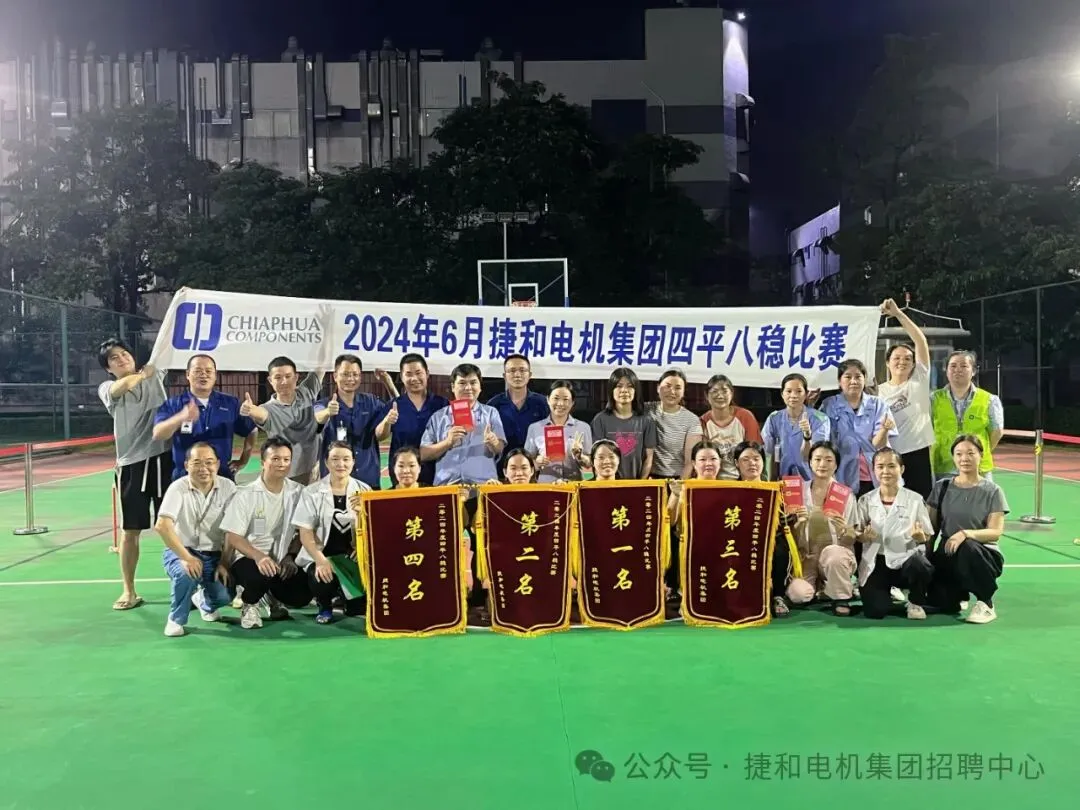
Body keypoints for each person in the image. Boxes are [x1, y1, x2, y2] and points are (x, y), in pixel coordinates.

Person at [97, 339, 175, 611]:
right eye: (114, 358)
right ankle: (129, 590)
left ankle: (185, 587)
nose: (122, 359)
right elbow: (122, 386)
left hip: (164, 459)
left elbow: (169, 344)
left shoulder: (157, 373)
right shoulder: (107, 388)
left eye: (125, 353)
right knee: (131, 531)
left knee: (176, 527)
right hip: (132, 465)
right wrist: (143, 374)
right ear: (108, 369)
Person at [220, 436, 312, 630]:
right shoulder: (245, 494)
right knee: (259, 576)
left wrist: (290, 556)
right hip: (248, 558)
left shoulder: (299, 492)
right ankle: (250, 603)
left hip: (279, 560)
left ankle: (268, 595)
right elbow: (233, 536)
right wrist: (258, 557)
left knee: (301, 594)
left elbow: (303, 530)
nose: (282, 464)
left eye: (286, 459)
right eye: (275, 459)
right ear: (263, 462)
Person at [155, 443, 237, 637]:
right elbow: (162, 526)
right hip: (181, 550)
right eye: (197, 463)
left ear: (218, 464)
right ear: (186, 465)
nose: (203, 468)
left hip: (214, 554)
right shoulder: (177, 488)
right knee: (186, 573)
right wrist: (186, 557)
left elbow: (232, 529)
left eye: (209, 462)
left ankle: (203, 601)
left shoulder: (228, 487)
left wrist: (225, 562)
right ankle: (175, 620)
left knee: (226, 595)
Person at [925, 434, 1007, 624]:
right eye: (959, 454)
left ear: (981, 455)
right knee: (942, 603)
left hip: (981, 553)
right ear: (953, 457)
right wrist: (927, 560)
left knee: (967, 547)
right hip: (948, 552)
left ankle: (986, 603)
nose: (964, 458)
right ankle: (957, 595)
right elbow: (931, 529)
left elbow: (995, 532)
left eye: (971, 453)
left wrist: (965, 534)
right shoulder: (942, 487)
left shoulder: (993, 491)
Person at [293, 441, 372, 624]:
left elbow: (373, 529)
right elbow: (305, 532)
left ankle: (345, 597)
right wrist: (320, 560)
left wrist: (363, 515)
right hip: (323, 556)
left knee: (356, 609)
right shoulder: (312, 492)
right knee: (321, 578)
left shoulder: (364, 490)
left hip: (352, 559)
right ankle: (324, 604)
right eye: (335, 459)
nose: (340, 464)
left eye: (346, 459)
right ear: (326, 463)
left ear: (353, 462)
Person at [855, 448, 935, 620]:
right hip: (876, 562)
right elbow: (858, 533)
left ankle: (915, 601)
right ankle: (886, 593)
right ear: (874, 470)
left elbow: (927, 534)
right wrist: (864, 537)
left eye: (891, 466)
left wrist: (920, 537)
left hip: (906, 559)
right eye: (880, 466)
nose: (886, 471)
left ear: (902, 469)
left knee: (920, 565)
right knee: (875, 611)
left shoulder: (915, 499)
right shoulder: (865, 500)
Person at [154, 354, 256, 481]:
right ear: (187, 374)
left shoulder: (230, 403)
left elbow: (251, 430)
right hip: (185, 478)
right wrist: (180, 417)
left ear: (215, 375)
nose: (203, 375)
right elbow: (158, 433)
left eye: (208, 371)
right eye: (198, 371)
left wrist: (243, 461)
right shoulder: (173, 404)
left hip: (221, 476)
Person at [786, 441, 860, 615]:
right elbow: (789, 535)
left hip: (836, 556)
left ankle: (841, 597)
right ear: (810, 462)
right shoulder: (797, 491)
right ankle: (821, 589)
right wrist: (798, 525)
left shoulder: (846, 495)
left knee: (833, 554)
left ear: (836, 465)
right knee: (797, 594)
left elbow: (851, 539)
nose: (822, 464)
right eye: (817, 459)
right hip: (807, 557)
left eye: (828, 460)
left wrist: (845, 530)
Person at [876, 298, 935, 498]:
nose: (902, 361)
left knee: (921, 501)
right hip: (891, 455)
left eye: (908, 358)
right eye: (897, 358)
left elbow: (921, 341)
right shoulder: (878, 392)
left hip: (918, 452)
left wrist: (898, 314)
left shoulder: (919, 380)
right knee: (892, 500)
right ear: (887, 363)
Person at [314, 354, 397, 490]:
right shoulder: (324, 404)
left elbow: (398, 407)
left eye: (355, 374)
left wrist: (388, 383)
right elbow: (316, 418)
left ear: (360, 377)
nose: (350, 379)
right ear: (335, 376)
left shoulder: (370, 402)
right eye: (345, 374)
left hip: (369, 480)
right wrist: (328, 412)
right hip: (336, 483)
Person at [732, 440, 794, 618]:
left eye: (756, 458)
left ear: (763, 461)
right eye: (745, 459)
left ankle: (778, 596)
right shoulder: (729, 491)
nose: (752, 463)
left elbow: (785, 524)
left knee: (780, 547)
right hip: (739, 542)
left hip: (769, 543)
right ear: (736, 463)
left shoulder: (776, 490)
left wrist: (793, 516)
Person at [242, 355, 326, 485]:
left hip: (315, 471)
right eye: (278, 377)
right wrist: (250, 409)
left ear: (296, 377)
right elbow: (261, 414)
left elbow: (323, 363)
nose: (284, 382)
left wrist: (331, 340)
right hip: (288, 476)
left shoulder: (306, 392)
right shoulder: (268, 409)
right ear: (270, 380)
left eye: (288, 376)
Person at [818, 359, 897, 496]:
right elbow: (824, 443)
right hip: (841, 473)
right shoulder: (829, 405)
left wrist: (884, 429)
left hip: (874, 473)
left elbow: (879, 444)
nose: (853, 381)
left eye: (858, 377)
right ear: (839, 381)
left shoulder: (878, 404)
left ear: (864, 379)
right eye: (848, 377)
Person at [375, 353, 449, 487]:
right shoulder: (394, 405)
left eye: (418, 373)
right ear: (402, 377)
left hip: (436, 473)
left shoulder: (442, 404)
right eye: (408, 374)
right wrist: (387, 422)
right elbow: (380, 436)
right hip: (403, 474)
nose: (414, 378)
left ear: (427, 374)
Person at [930, 351, 1004, 481]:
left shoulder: (989, 400)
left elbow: (996, 432)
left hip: (978, 469)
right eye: (953, 366)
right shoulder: (933, 399)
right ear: (946, 370)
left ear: (973, 371)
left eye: (964, 366)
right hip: (944, 468)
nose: (958, 370)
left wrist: (976, 452)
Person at [761, 373, 830, 481]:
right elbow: (767, 453)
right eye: (789, 391)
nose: (793, 395)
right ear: (782, 394)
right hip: (781, 480)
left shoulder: (820, 419)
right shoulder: (773, 418)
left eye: (798, 391)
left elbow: (814, 456)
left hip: (811, 481)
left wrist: (807, 436)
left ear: (806, 394)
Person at [591, 368, 657, 480]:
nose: (624, 390)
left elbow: (649, 458)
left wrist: (641, 483)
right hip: (608, 484)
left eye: (630, 386)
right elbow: (596, 457)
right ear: (611, 390)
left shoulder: (647, 420)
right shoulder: (600, 420)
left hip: (636, 483)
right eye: (619, 386)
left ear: (636, 391)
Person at [524, 380, 593, 482]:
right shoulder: (535, 428)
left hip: (574, 485)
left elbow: (590, 463)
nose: (560, 404)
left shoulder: (583, 427)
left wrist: (580, 457)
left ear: (572, 402)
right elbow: (525, 463)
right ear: (548, 399)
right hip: (546, 486)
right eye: (556, 398)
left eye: (566, 399)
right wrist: (537, 462)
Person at [698, 374, 762, 480]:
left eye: (724, 391)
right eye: (714, 391)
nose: (720, 395)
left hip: (744, 480)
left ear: (731, 394)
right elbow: (702, 458)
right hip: (714, 481)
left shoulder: (745, 416)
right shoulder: (703, 421)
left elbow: (755, 453)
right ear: (706, 396)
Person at [645, 369, 702, 480]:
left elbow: (689, 462)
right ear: (658, 388)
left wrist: (679, 485)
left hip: (677, 478)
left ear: (683, 392)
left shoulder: (691, 420)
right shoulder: (645, 410)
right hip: (647, 477)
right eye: (668, 386)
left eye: (678, 388)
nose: (672, 392)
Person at [486, 354, 550, 453]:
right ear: (504, 376)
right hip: (503, 460)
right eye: (512, 371)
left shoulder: (543, 403)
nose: (517, 375)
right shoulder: (493, 405)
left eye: (522, 370)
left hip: (535, 460)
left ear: (530, 375)